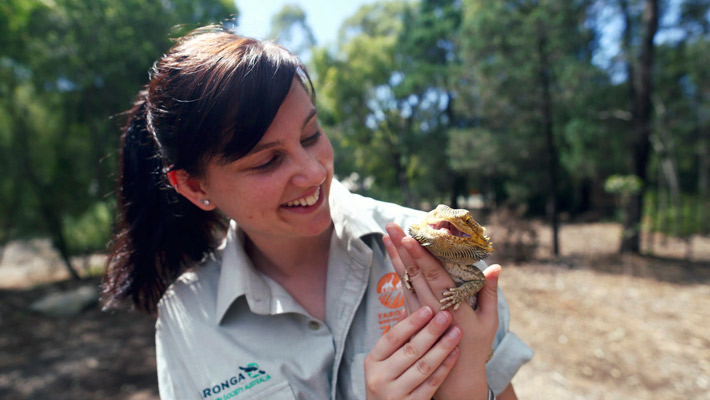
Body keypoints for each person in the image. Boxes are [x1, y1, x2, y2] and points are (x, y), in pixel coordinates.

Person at [103, 24, 532, 400]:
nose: (313, 173)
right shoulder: (189, 317)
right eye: (267, 161)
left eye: (310, 135)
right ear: (196, 187)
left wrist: (468, 391)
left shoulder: (428, 248)